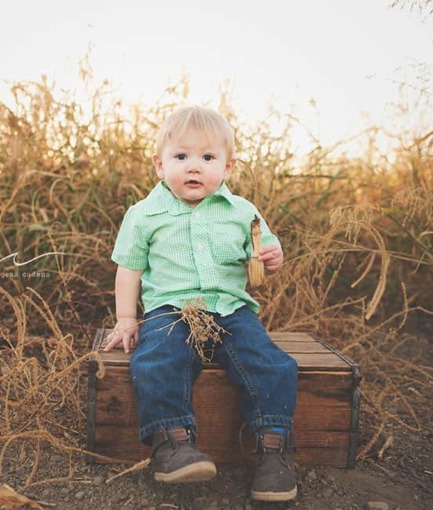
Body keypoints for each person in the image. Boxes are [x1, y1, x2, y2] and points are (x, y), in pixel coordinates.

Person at [103, 106, 298, 502]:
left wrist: (273, 258)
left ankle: (273, 452)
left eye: (208, 158)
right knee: (157, 358)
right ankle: (173, 445)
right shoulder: (143, 215)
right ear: (159, 165)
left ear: (228, 167)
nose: (194, 167)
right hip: (172, 310)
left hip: (230, 309)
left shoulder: (242, 212)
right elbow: (129, 270)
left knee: (271, 363)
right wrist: (126, 318)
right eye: (181, 157)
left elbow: (264, 250)